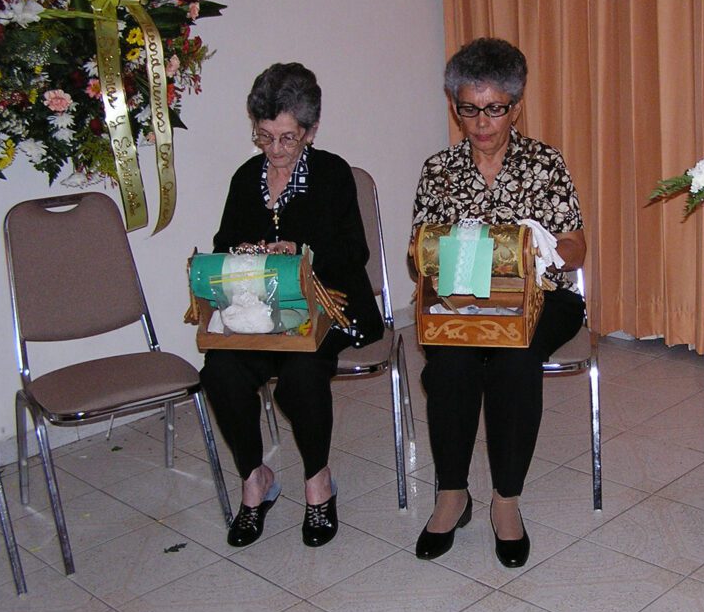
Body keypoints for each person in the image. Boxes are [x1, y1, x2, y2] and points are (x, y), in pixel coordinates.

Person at [410, 38, 587, 568]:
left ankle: (506, 499)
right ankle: (452, 493)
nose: (482, 122)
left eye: (495, 109)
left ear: (516, 105)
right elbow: (419, 253)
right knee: (450, 363)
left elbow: (577, 249)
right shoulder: (438, 170)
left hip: (542, 298)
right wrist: (438, 256)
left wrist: (542, 246)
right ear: (455, 107)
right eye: (469, 109)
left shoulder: (545, 162)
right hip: (462, 300)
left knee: (514, 359)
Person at [200, 62, 383, 549]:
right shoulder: (245, 179)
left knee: (301, 375)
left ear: (310, 130)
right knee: (219, 371)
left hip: (330, 307)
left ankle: (317, 480)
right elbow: (223, 245)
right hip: (259, 315)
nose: (275, 150)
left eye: (288, 138)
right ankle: (254, 477)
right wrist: (246, 254)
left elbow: (354, 254)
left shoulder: (333, 174)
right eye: (264, 137)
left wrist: (300, 254)